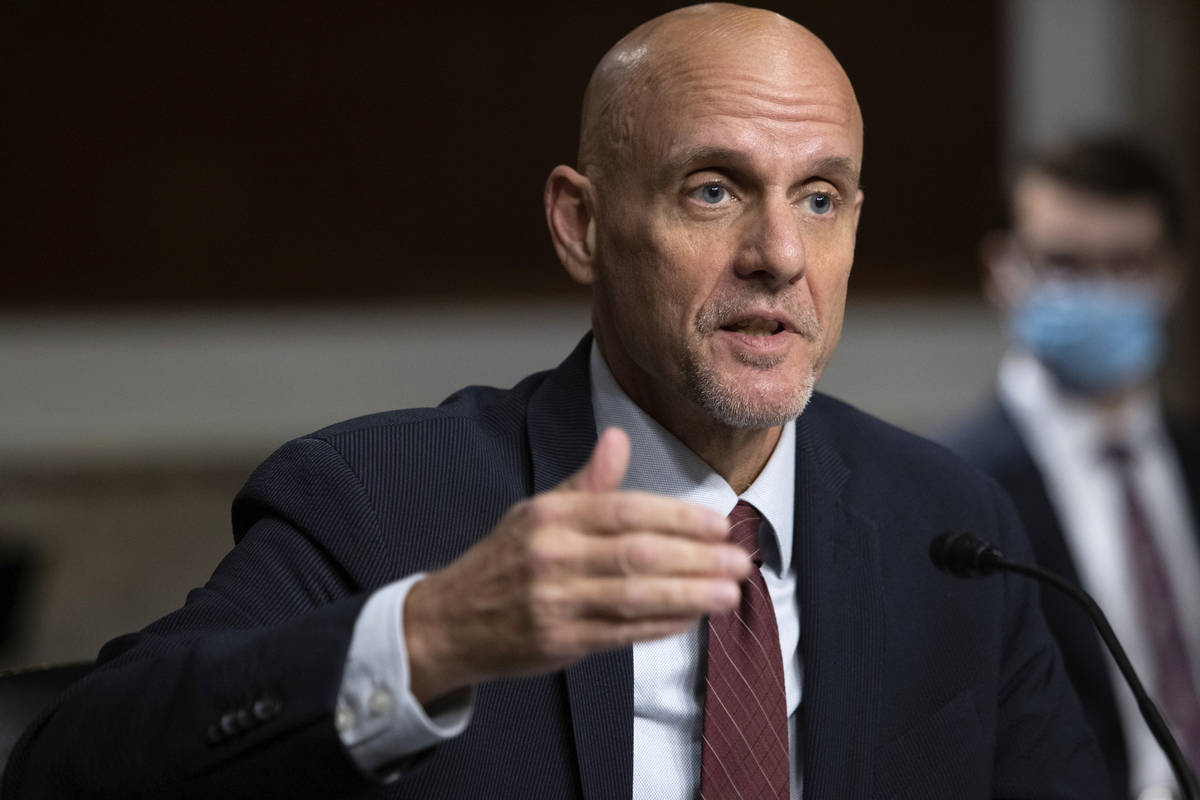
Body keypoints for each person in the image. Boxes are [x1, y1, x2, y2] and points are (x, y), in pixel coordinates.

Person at [4, 5, 1107, 799]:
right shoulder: (378, 500)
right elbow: (71, 763)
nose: (779, 254)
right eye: (712, 190)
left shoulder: (947, 527)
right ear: (581, 224)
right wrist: (432, 633)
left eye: (819, 199)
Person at [943, 135, 1200, 799]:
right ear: (1002, 268)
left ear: (1171, 274)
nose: (1099, 290)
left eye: (1128, 264)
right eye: (1065, 263)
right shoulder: (949, 491)